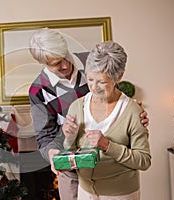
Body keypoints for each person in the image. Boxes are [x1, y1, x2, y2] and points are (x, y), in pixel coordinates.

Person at [28, 28, 149, 200]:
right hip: (71, 169)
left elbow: (116, 95)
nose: (64, 65)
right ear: (42, 63)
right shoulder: (38, 90)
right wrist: (52, 153)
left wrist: (135, 115)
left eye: (65, 57)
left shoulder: (91, 61)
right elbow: (44, 136)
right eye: (56, 63)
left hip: (109, 164)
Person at [62, 41, 151, 200]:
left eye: (101, 82)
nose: (94, 87)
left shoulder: (132, 111)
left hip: (121, 194)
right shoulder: (77, 107)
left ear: (119, 77)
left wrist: (108, 146)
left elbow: (143, 161)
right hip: (85, 192)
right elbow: (70, 150)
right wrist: (69, 138)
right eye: (90, 79)